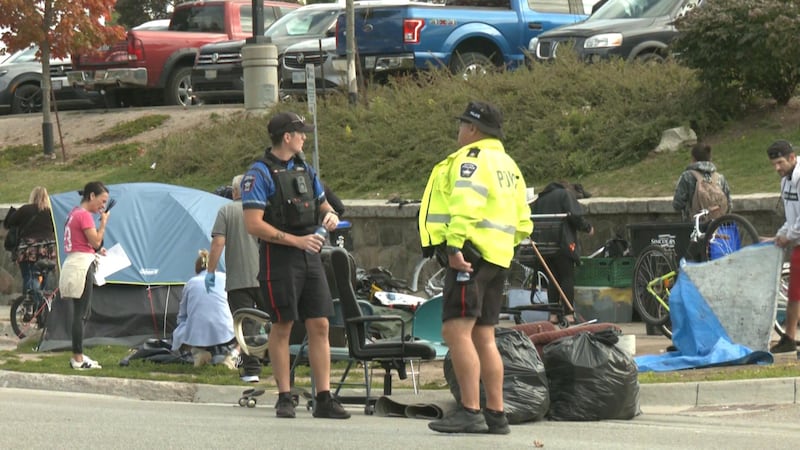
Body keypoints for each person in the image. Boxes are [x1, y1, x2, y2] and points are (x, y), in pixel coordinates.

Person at [419, 101, 532, 434]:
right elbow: (524, 220)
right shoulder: (508, 164)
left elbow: (465, 204)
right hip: (497, 258)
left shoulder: (473, 160)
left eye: (462, 124)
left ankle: (470, 410)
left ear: (473, 129)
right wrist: (505, 247)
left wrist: (454, 246)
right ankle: (496, 414)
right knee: (484, 335)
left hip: (469, 256)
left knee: (455, 331)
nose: (459, 130)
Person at [241, 111, 350, 420]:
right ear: (286, 137)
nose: (305, 137)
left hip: (311, 254)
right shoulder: (259, 174)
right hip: (280, 257)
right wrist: (295, 241)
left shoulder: (305, 168)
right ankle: (285, 396)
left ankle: (324, 397)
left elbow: (323, 205)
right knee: (283, 324)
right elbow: (253, 224)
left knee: (321, 324)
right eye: (300, 133)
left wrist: (329, 217)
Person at [205, 174, 265, 381]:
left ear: (234, 192)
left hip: (239, 279)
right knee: (275, 322)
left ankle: (251, 370)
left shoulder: (226, 210)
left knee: (244, 324)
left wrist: (210, 272)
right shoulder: (262, 210)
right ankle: (280, 362)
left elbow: (217, 244)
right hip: (266, 277)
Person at [58, 181, 110, 370]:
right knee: (81, 314)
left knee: (80, 313)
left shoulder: (74, 213)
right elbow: (95, 241)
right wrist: (103, 224)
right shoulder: (85, 216)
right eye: (102, 201)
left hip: (73, 261)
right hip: (82, 265)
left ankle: (78, 354)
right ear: (91, 196)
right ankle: (78, 357)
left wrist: (96, 247)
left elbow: (85, 242)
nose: (103, 206)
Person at [530, 181, 594, 309]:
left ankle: (553, 313)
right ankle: (568, 313)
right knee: (567, 276)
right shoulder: (565, 194)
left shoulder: (540, 199)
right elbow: (575, 216)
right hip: (563, 243)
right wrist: (588, 228)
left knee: (553, 278)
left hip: (544, 245)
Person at [172, 249, 238, 368]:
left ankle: (198, 352)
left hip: (197, 333)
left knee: (182, 328)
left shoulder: (191, 283)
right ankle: (232, 356)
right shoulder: (224, 277)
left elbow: (182, 315)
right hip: (226, 331)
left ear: (197, 269)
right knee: (245, 330)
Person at [766, 139, 799, 354]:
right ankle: (789, 337)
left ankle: (789, 337)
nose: (777, 168)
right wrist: (779, 236)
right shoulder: (785, 181)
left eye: (780, 162)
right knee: (794, 293)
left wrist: (788, 237)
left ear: (792, 158)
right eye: (774, 164)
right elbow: (791, 217)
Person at [5, 186, 57, 301]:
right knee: (44, 275)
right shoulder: (51, 212)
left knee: (29, 275)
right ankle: (43, 306)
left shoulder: (25, 209)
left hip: (28, 249)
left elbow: (9, 222)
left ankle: (29, 303)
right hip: (47, 249)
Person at [672, 142, 732, 221]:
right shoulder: (720, 178)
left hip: (694, 226)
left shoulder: (687, 177)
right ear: (710, 158)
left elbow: (677, 204)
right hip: (716, 226)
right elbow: (729, 205)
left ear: (693, 158)